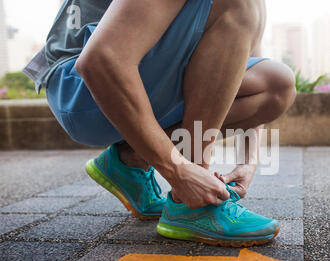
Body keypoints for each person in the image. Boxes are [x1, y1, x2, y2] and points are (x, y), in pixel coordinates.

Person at [30, 0, 296, 247]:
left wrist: (247, 162)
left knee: (276, 87)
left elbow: (244, 64)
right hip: (81, 91)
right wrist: (179, 172)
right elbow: (100, 61)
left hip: (120, 82)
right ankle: (192, 206)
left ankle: (131, 159)